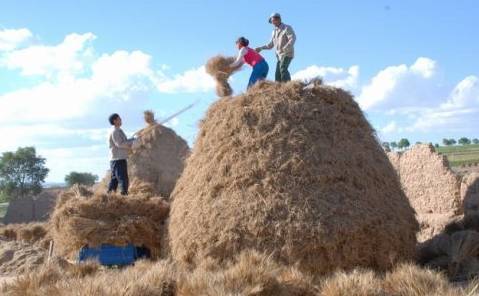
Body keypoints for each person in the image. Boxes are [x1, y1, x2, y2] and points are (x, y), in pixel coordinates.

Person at [256, 13, 296, 82]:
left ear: (279, 19)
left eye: (273, 21)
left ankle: (287, 86)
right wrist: (260, 48)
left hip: (287, 53)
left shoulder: (287, 28)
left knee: (283, 68)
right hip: (279, 56)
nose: (273, 23)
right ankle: (278, 88)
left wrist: (287, 47)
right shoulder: (274, 32)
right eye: (272, 22)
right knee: (277, 74)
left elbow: (293, 38)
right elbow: (270, 45)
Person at [107, 113, 134, 195]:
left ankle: (110, 195)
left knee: (114, 179)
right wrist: (132, 143)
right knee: (123, 178)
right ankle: (123, 195)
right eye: (119, 119)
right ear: (115, 121)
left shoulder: (118, 130)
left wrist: (132, 139)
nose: (121, 120)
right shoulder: (115, 131)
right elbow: (120, 144)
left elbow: (124, 142)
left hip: (117, 158)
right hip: (118, 159)